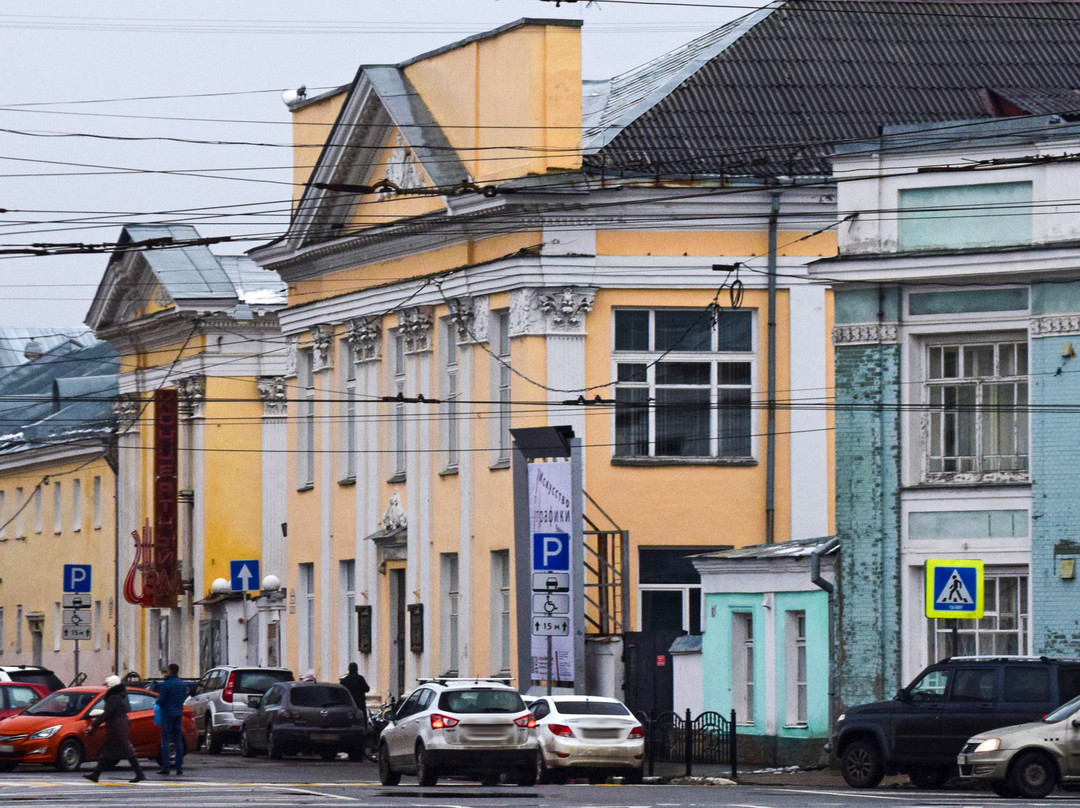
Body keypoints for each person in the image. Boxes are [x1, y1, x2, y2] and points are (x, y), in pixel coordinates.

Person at [82, 675, 146, 783]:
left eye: (107, 685)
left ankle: (139, 774)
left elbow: (107, 713)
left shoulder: (113, 697)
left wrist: (94, 724)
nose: (106, 687)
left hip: (115, 727)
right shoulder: (123, 696)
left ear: (112, 685)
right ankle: (95, 775)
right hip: (121, 725)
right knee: (109, 751)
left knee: (125, 751)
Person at [155, 663, 188, 775]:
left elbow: (161, 701)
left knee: (165, 740)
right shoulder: (181, 684)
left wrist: (158, 701)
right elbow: (183, 698)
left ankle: (166, 767)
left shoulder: (166, 684)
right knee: (178, 740)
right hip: (178, 713)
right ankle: (179, 767)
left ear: (170, 671)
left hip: (167, 714)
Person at [339, 662, 370, 727]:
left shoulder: (344, 680)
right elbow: (367, 689)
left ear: (349, 669)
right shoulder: (360, 678)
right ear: (357, 669)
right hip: (360, 703)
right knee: (362, 720)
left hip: (349, 703)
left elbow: (340, 692)